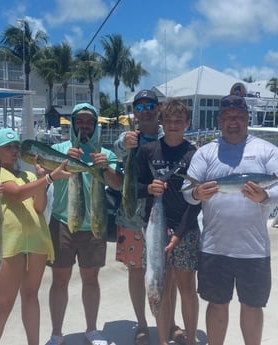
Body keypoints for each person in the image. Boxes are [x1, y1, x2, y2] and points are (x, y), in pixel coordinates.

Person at [182, 93, 278, 345]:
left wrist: (265, 196)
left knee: (252, 306)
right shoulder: (206, 153)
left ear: (247, 119)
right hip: (214, 247)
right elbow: (187, 194)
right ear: (220, 120)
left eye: (239, 117)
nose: (233, 122)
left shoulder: (266, 150)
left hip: (253, 249)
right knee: (216, 305)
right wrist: (197, 193)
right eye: (228, 117)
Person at [0, 128, 71, 345]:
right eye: (8, 147)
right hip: (8, 245)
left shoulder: (29, 175)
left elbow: (39, 207)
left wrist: (40, 177)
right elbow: (18, 194)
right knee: (3, 304)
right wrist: (49, 177)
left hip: (36, 241)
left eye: (16, 147)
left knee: (31, 297)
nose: (14, 151)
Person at [45, 103, 122, 345]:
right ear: (73, 124)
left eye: (89, 122)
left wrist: (105, 166)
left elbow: (118, 184)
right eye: (80, 121)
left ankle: (91, 329)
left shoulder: (105, 153)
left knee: (91, 279)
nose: (85, 126)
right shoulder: (58, 149)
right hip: (62, 223)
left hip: (94, 225)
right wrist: (63, 162)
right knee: (59, 281)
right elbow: (42, 172)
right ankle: (56, 333)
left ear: (95, 125)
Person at [136, 99, 201, 345]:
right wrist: (148, 188)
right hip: (155, 230)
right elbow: (134, 187)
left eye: (178, 121)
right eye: (169, 120)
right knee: (159, 285)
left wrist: (180, 233)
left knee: (186, 287)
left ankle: (192, 339)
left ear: (187, 123)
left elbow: (198, 200)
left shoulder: (195, 154)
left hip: (186, 228)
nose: (173, 125)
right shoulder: (147, 152)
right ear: (161, 121)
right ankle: (162, 340)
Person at [113, 89, 165, 345]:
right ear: (135, 112)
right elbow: (117, 150)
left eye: (150, 106)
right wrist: (126, 143)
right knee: (136, 272)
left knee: (168, 272)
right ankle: (142, 324)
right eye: (140, 107)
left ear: (158, 109)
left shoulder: (169, 135)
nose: (145, 111)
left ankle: (167, 322)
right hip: (132, 215)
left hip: (165, 215)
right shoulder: (128, 137)